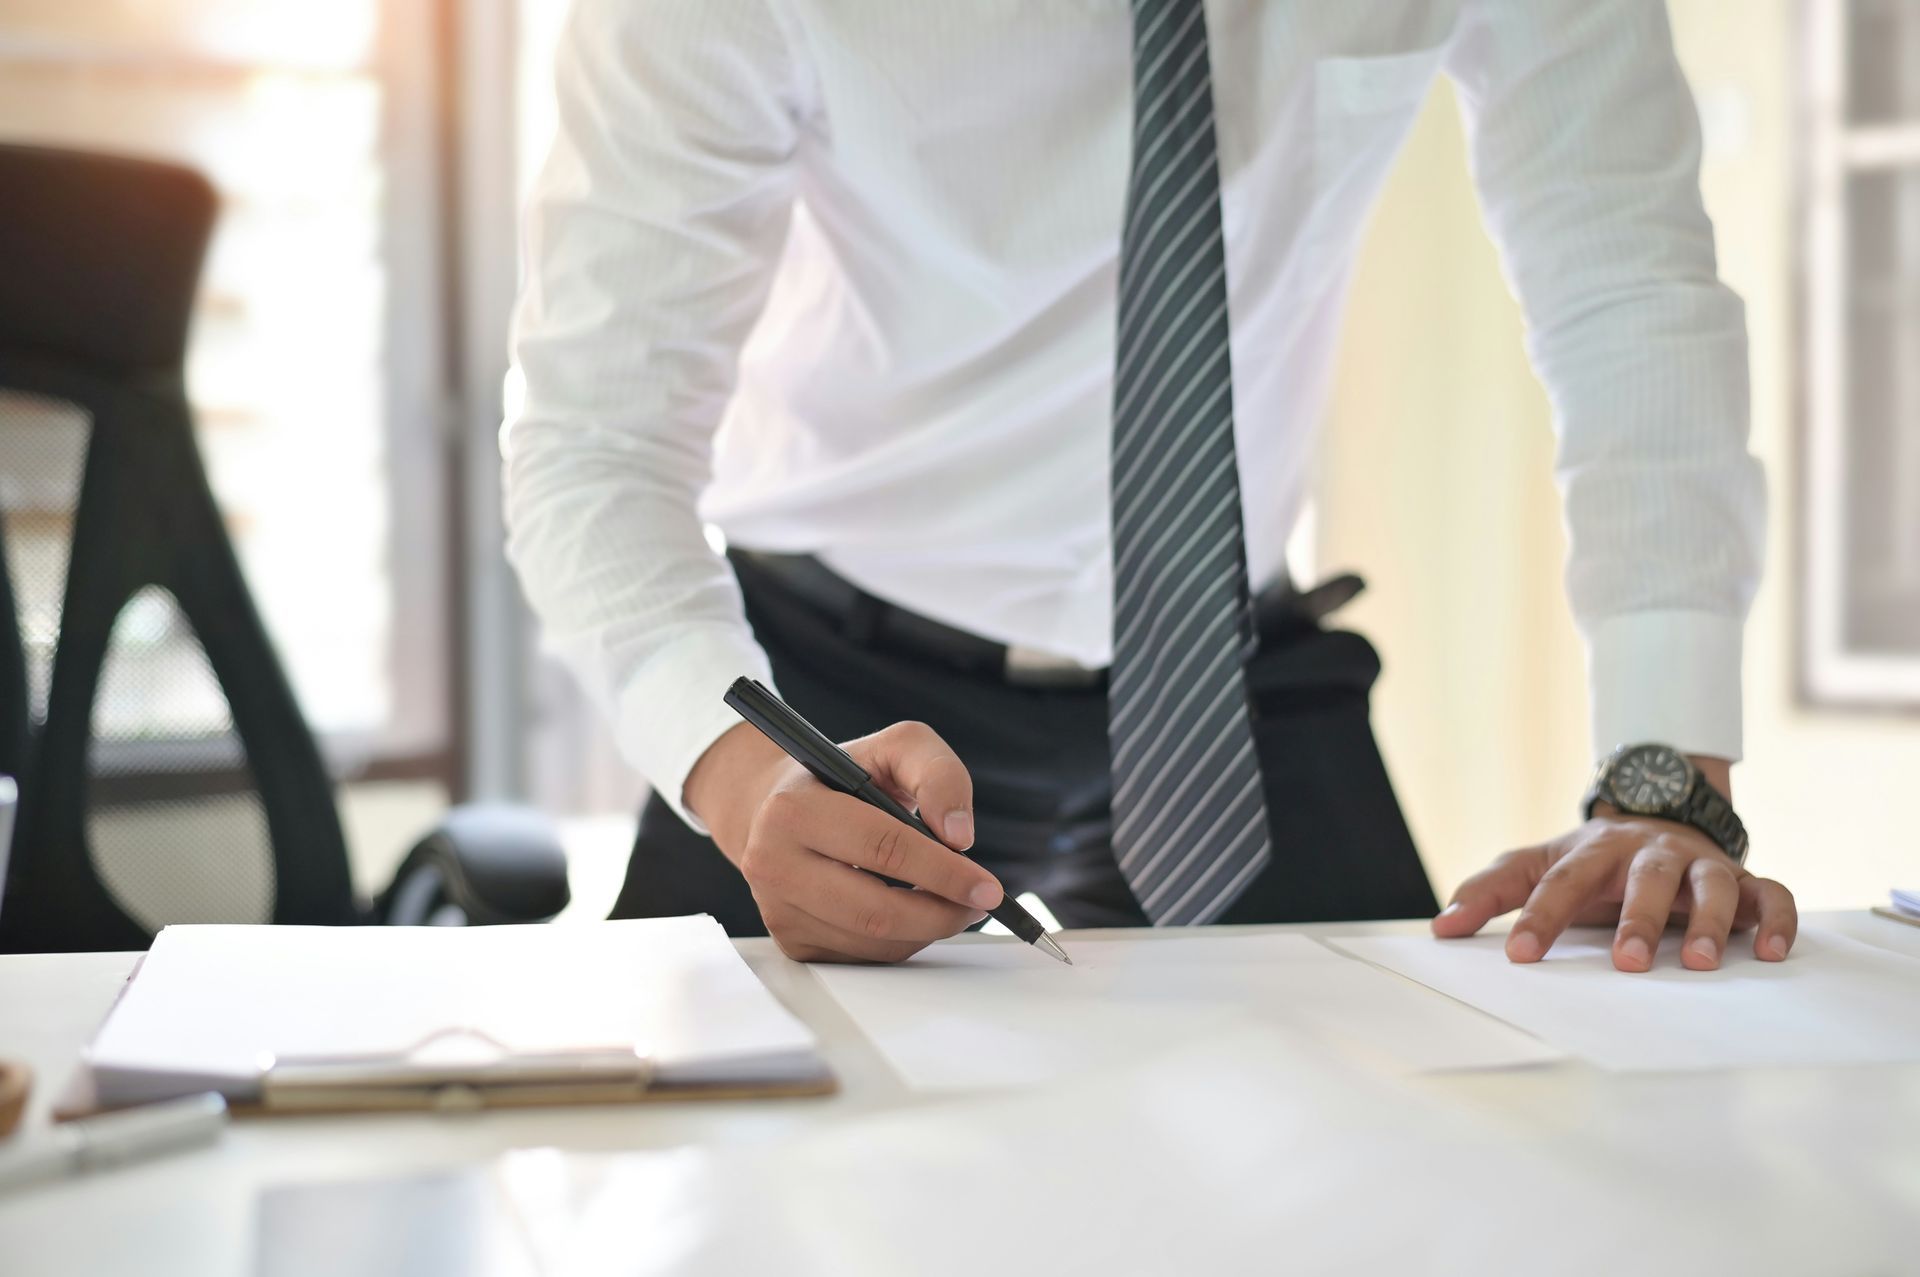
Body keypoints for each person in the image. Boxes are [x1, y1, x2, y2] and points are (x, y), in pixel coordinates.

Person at [503, 0, 1797, 971]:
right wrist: (735, 772)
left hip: (1227, 678)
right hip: (830, 699)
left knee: (1432, 1116)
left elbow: (1627, 285)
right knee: (718, 1171)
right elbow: (592, 437)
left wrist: (1665, 777)